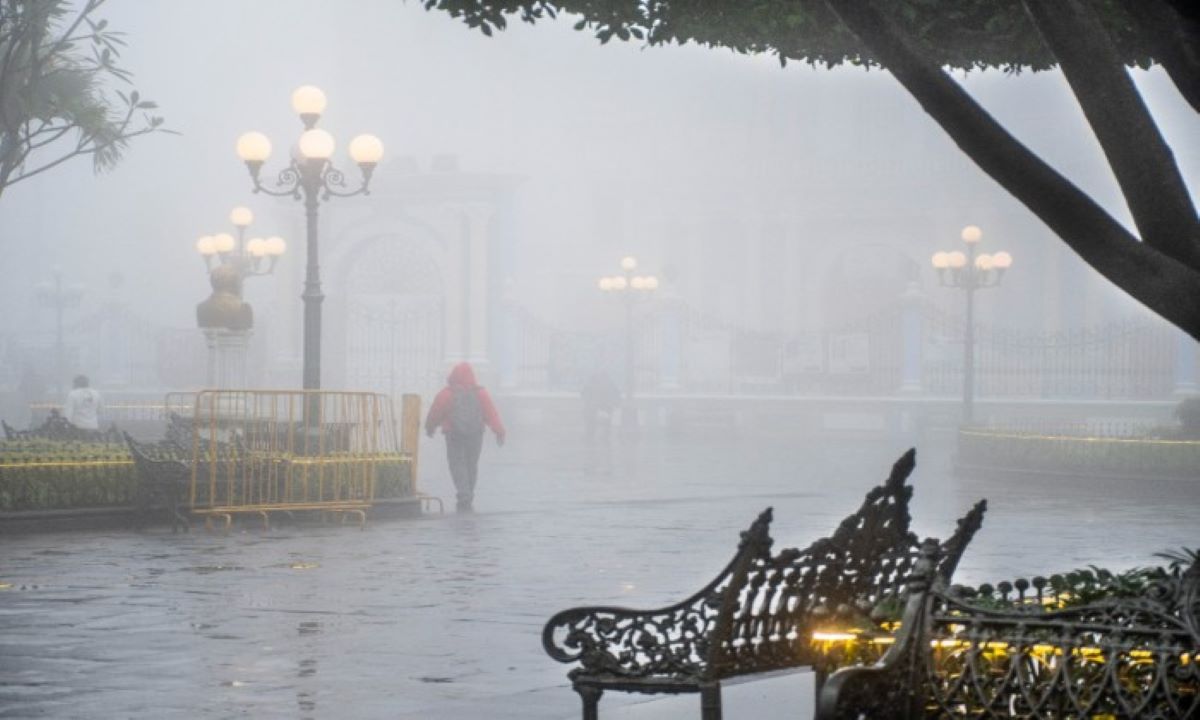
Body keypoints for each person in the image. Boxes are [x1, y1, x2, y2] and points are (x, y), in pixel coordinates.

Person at [424, 362, 505, 512]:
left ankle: (463, 493)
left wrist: (430, 428)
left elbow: (435, 413)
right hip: (476, 434)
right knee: (471, 464)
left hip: (454, 434)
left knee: (457, 464)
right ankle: (469, 493)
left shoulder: (447, 393)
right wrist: (499, 431)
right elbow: (491, 413)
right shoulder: (480, 393)